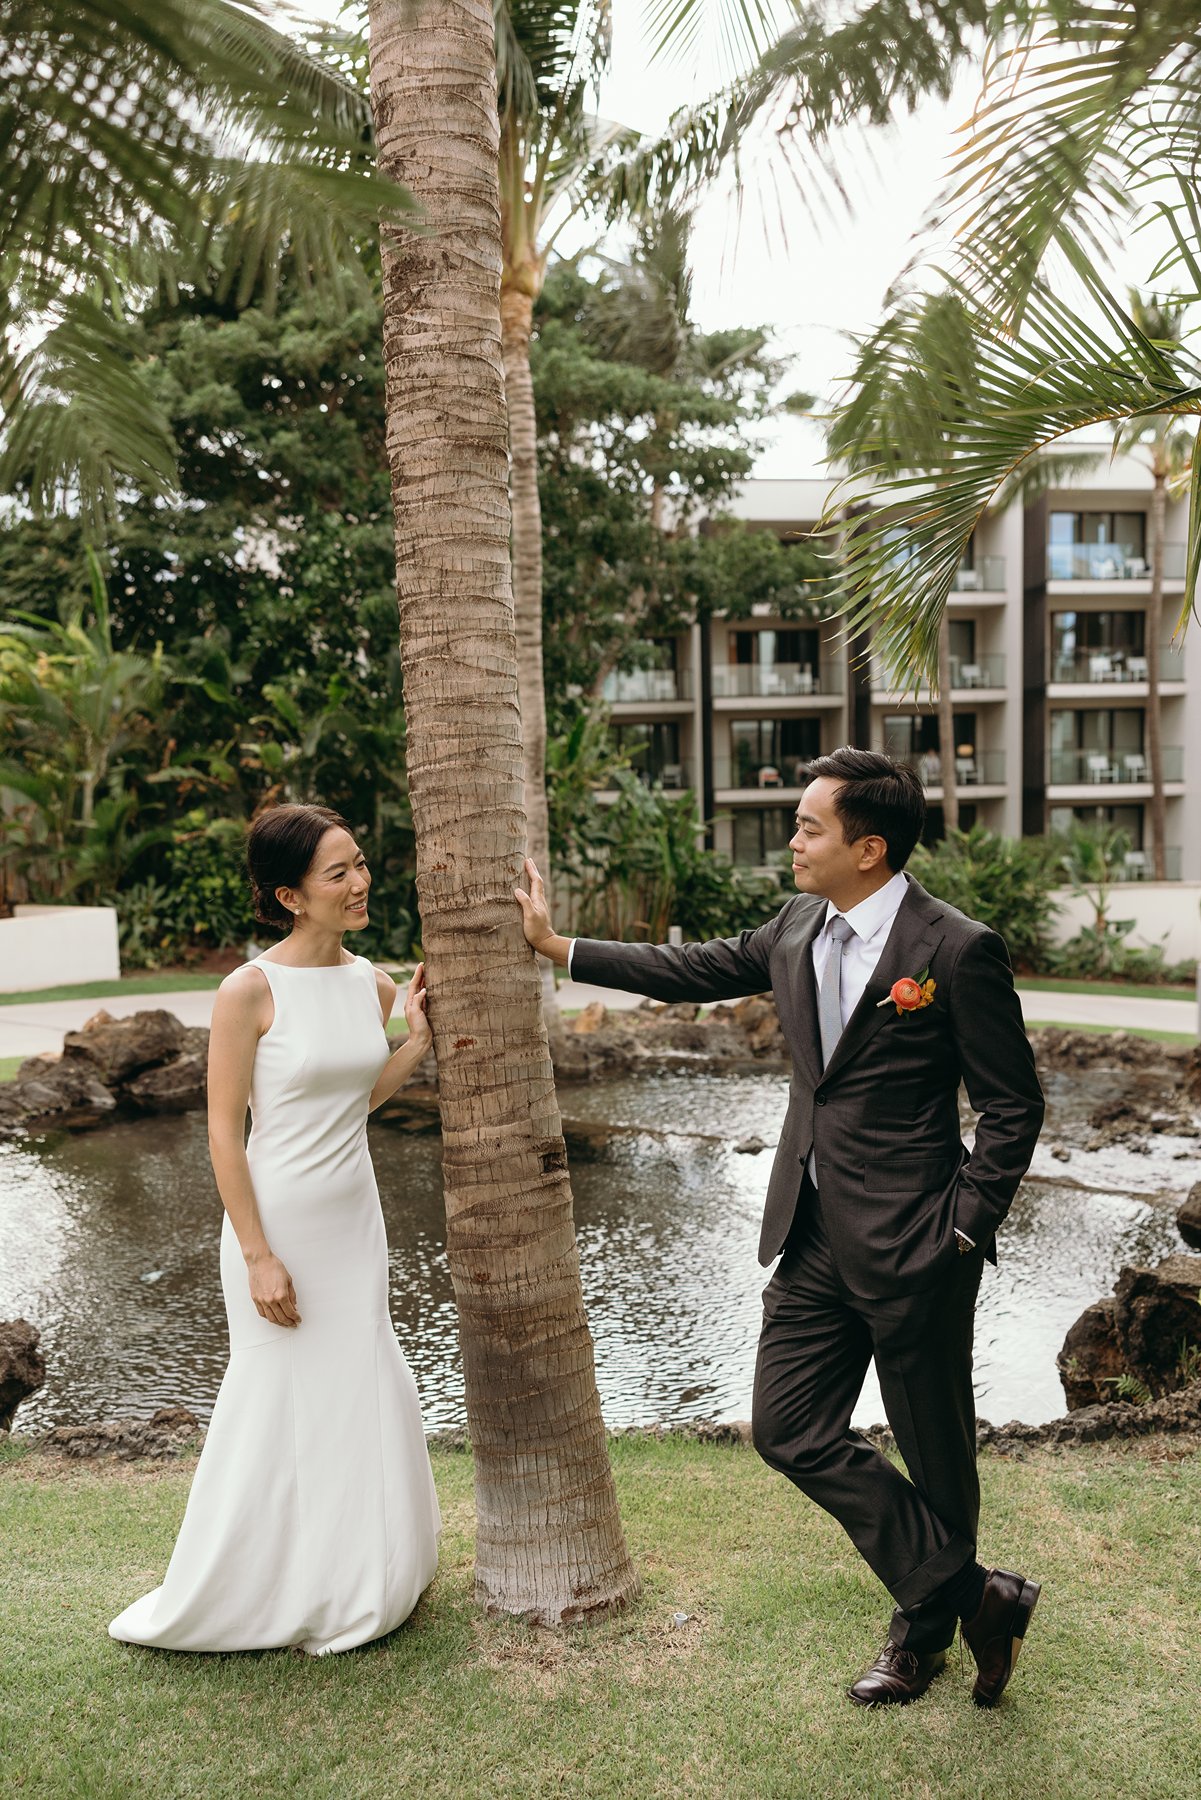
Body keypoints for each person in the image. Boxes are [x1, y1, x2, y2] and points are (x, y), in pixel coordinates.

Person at [515, 747, 1045, 1709]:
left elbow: (1012, 1109)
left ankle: (919, 1637)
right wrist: (560, 948)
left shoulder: (956, 949)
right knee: (787, 1429)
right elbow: (691, 968)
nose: (791, 842)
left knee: (935, 1455)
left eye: (808, 827)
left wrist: (962, 1229)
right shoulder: (798, 923)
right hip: (808, 1236)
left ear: (869, 849)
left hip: (918, 1248)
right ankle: (978, 1596)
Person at [109, 803, 440, 1656]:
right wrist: (258, 1255)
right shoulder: (247, 991)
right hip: (276, 1223)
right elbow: (226, 1133)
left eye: (361, 863)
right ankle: (247, 1590)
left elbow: (348, 1107)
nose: (361, 882)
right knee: (277, 1400)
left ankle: (360, 1579)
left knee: (356, 1388)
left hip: (353, 1220)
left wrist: (413, 1044)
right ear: (291, 895)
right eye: (339, 873)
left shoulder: (371, 984)